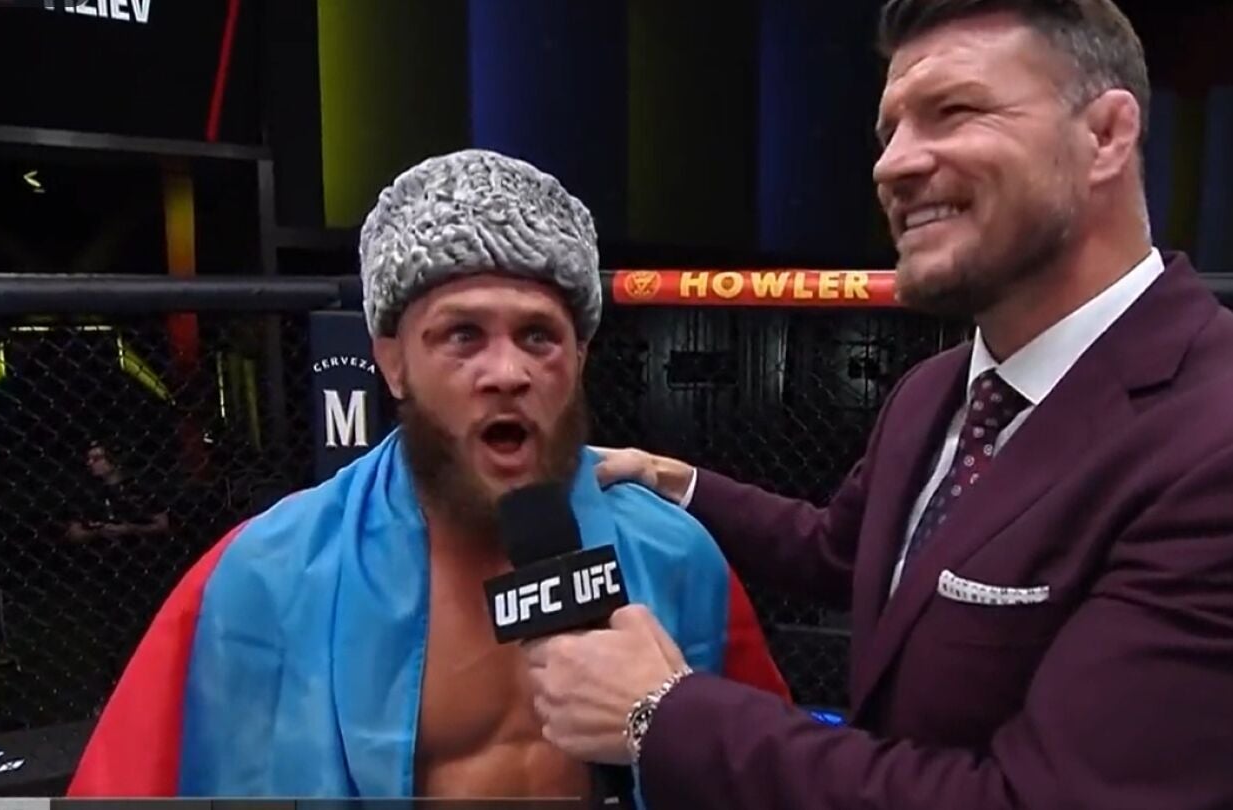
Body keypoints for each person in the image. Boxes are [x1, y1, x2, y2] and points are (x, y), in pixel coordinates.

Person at [523, 1, 1233, 807]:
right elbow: (846, 552)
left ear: (1106, 135)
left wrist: (664, 714)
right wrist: (684, 485)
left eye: (955, 111)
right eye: (890, 131)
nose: (894, 165)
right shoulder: (935, 392)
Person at [65, 149, 789, 803]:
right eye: (462, 334)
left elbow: (769, 783)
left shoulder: (676, 556)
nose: (507, 372)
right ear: (393, 362)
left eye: (538, 335)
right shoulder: (263, 575)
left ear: (580, 360)